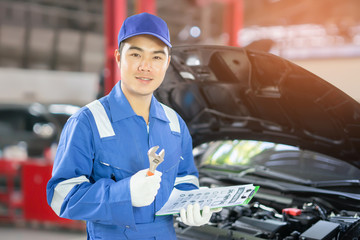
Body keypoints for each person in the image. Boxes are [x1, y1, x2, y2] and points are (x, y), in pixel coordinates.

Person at [46, 12, 220, 240]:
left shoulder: (175, 125)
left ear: (167, 62)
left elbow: (185, 179)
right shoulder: (87, 122)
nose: (146, 66)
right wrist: (123, 193)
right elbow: (62, 195)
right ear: (119, 57)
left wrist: (191, 204)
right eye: (136, 54)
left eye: (157, 57)